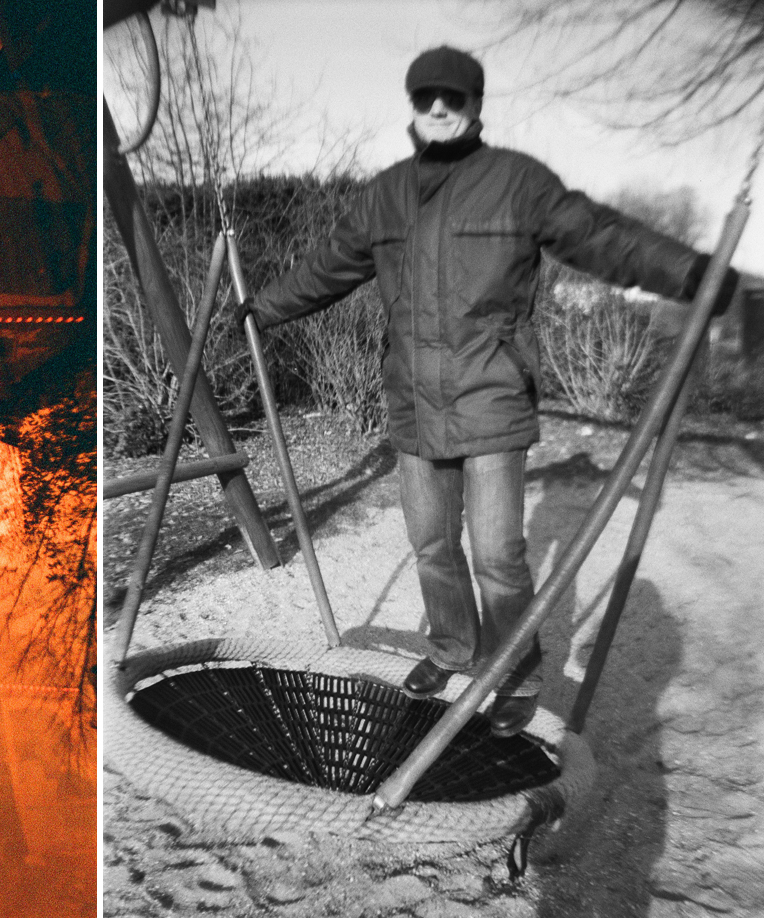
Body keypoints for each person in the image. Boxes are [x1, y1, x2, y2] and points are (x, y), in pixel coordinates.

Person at [236, 45, 737, 737]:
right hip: (413, 401)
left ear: (475, 105)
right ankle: (452, 649)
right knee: (432, 546)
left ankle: (514, 675)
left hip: (491, 395)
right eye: (425, 99)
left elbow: (602, 238)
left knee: (498, 555)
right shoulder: (384, 193)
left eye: (453, 98)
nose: (439, 109)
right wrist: (261, 308)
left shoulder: (517, 182)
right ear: (413, 108)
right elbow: (326, 267)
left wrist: (689, 274)